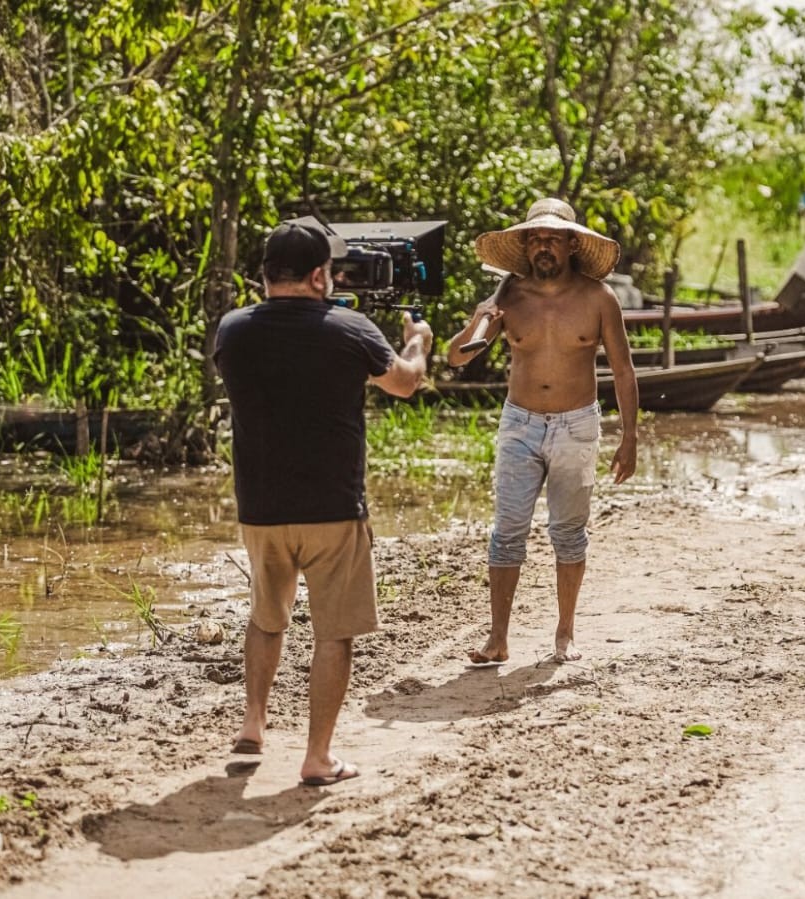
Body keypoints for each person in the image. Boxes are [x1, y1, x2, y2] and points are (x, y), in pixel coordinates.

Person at [213, 215, 432, 786]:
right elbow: (406, 382)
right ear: (319, 275)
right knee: (334, 633)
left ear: (263, 276)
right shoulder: (350, 329)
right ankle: (318, 756)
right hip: (332, 508)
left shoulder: (232, 331)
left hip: (261, 507)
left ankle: (254, 723)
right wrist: (416, 341)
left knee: (266, 619)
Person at [445, 198, 638, 665]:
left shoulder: (598, 298)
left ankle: (565, 632)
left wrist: (629, 436)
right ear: (526, 245)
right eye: (535, 238)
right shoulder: (508, 298)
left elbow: (624, 370)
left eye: (553, 238)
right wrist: (482, 317)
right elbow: (456, 357)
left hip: (576, 424)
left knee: (568, 532)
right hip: (520, 423)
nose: (543, 246)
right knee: (506, 532)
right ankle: (497, 639)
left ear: (572, 244)